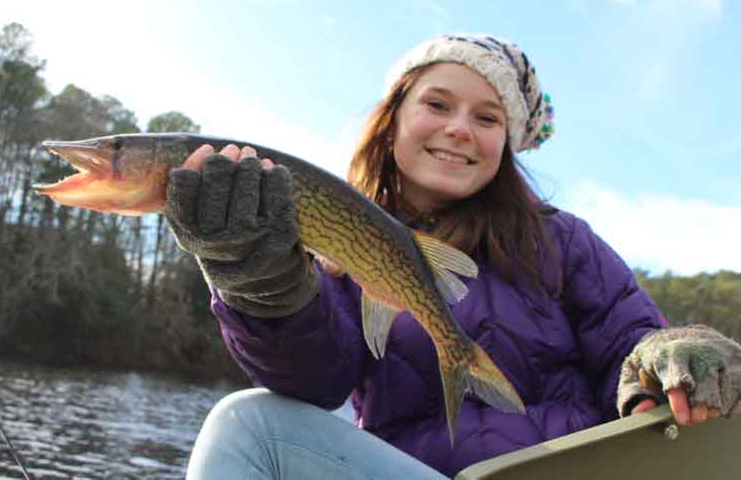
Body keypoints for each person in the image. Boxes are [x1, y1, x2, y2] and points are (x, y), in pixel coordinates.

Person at [164, 33, 741, 479]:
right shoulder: (337, 246)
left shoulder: (564, 240)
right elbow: (315, 381)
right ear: (391, 123)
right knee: (248, 425)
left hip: (560, 473)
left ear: (506, 146)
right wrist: (259, 279)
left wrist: (669, 354)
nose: (459, 129)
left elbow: (629, 344)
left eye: (487, 117)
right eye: (437, 104)